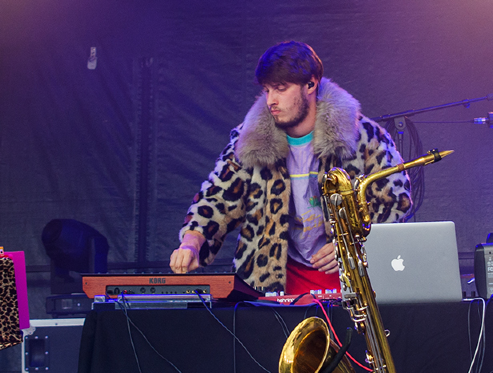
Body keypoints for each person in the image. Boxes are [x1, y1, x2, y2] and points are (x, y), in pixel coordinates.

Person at [168, 42, 411, 296]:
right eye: (267, 90)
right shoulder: (249, 139)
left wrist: (351, 244)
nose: (271, 100)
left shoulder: (364, 136)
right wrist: (191, 243)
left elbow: (396, 202)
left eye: (281, 89)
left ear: (310, 84)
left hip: (350, 280)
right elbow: (217, 198)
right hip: (273, 283)